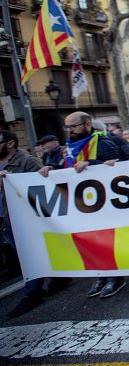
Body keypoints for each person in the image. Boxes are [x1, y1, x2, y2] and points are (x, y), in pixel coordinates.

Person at [39, 111, 124, 298]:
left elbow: (119, 167)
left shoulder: (103, 142)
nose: (70, 131)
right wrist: (52, 169)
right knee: (90, 241)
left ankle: (116, 277)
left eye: (74, 126)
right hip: (80, 203)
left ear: (87, 124)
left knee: (106, 240)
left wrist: (91, 163)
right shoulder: (69, 147)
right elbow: (67, 169)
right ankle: (101, 275)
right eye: (67, 127)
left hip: (102, 202)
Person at [1, 132, 74, 317]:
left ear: (10, 143)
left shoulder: (27, 161)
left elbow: (43, 188)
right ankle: (60, 279)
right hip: (7, 219)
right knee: (28, 254)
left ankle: (32, 293)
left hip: (25, 219)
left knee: (30, 256)